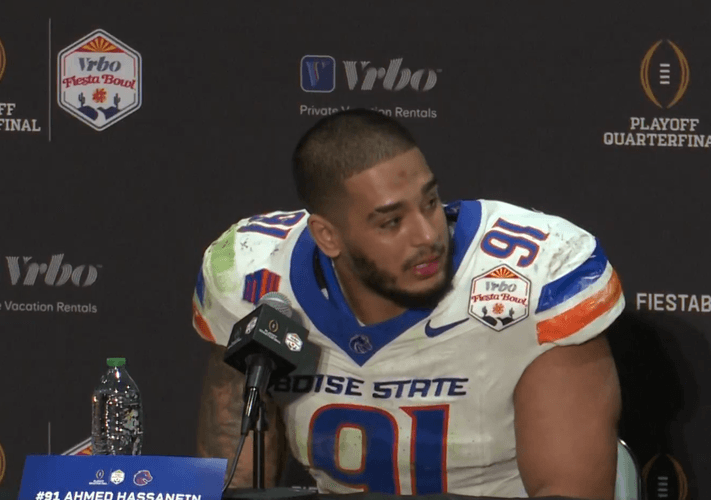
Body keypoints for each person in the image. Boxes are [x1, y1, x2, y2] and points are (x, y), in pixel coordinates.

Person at [192, 109, 624, 499]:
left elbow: (570, 491)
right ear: (328, 236)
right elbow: (234, 484)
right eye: (391, 222)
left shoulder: (535, 275)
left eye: (430, 202)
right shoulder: (251, 275)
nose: (427, 237)